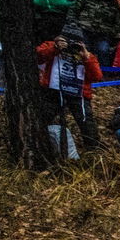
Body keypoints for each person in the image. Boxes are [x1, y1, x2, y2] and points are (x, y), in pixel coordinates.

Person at [36, 23, 103, 153]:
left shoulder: (86, 54)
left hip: (79, 94)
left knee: (86, 123)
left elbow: (97, 76)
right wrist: (56, 48)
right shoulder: (51, 46)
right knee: (42, 117)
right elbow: (39, 56)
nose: (71, 45)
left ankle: (94, 151)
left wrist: (86, 57)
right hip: (53, 90)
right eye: (68, 41)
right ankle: (40, 146)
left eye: (76, 42)